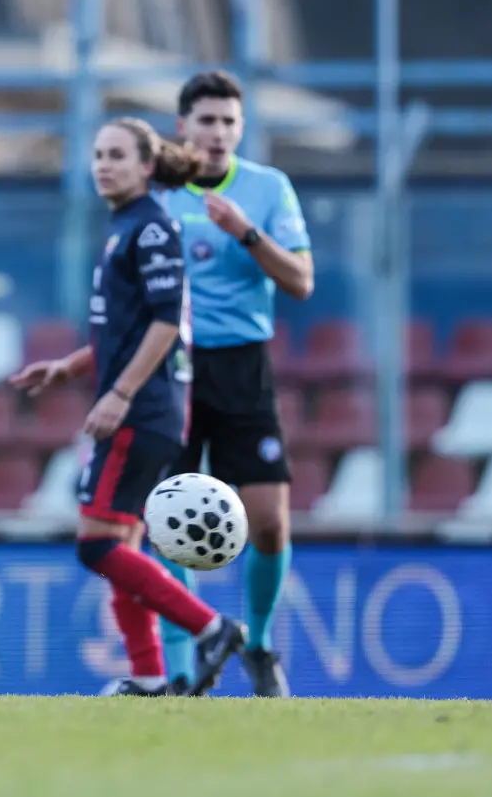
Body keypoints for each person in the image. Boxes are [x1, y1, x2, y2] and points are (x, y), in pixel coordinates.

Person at [9, 117, 246, 697]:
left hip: (143, 411)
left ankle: (211, 628)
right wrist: (70, 366)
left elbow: (168, 322)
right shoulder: (127, 227)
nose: (103, 164)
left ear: (146, 165)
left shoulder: (151, 229)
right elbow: (128, 328)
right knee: (120, 545)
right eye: (97, 154)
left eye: (117, 154)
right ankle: (148, 675)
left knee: (97, 544)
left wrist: (118, 394)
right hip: (147, 408)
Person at [159, 70, 313, 698]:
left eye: (229, 122)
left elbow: (301, 282)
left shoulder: (267, 188)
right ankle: (183, 666)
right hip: (173, 365)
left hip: (244, 366)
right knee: (165, 519)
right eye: (207, 121)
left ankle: (261, 643)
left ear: (240, 129)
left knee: (270, 521)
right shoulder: (156, 191)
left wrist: (246, 233)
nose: (218, 133)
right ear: (183, 127)